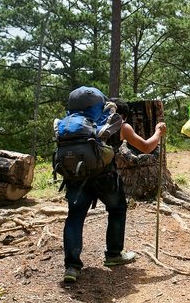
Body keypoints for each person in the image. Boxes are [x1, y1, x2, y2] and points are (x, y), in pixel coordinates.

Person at [63, 97, 167, 283]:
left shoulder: (82, 123)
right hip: (105, 178)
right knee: (117, 210)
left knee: (75, 217)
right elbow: (146, 147)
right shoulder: (121, 125)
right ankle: (113, 254)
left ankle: (72, 266)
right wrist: (158, 133)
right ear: (123, 115)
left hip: (76, 176)